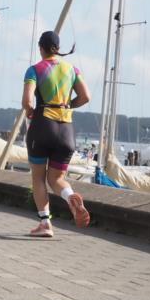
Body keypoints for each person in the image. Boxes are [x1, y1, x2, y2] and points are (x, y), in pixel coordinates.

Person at [22, 30, 92, 237]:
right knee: (57, 178)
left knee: (38, 177)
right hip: (66, 131)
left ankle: (45, 223)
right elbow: (85, 96)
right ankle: (70, 197)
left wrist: (30, 111)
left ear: (41, 48)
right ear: (58, 49)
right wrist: (67, 105)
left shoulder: (35, 70)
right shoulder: (72, 70)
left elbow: (27, 101)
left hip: (43, 125)